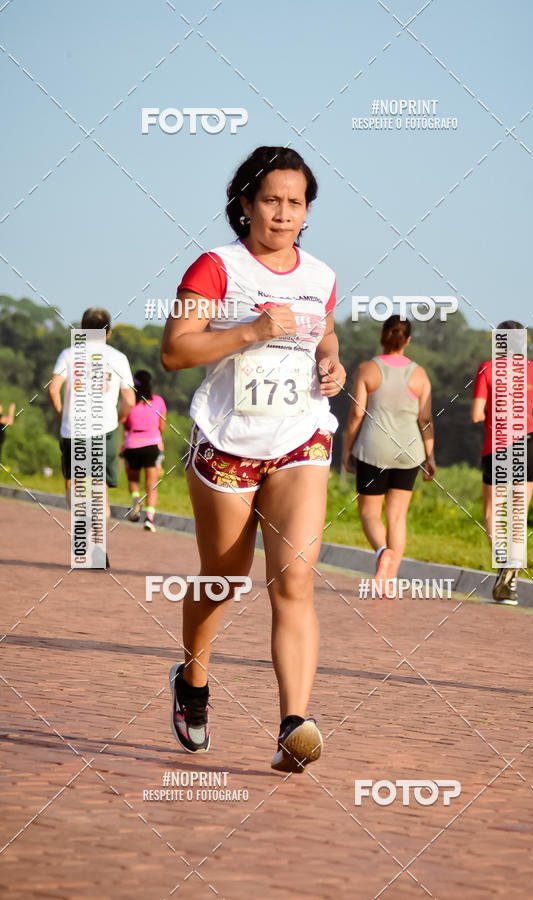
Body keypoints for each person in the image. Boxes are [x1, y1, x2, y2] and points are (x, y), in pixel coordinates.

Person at [161, 146, 345, 772]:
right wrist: (252, 330)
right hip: (228, 443)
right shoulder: (217, 267)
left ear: (307, 210)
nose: (283, 213)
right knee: (224, 578)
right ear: (244, 204)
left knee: (294, 579)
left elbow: (323, 327)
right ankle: (193, 679)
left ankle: (293, 724)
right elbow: (176, 350)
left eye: (296, 203)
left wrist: (330, 362)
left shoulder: (321, 275)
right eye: (271, 200)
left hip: (300, 439)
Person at [343, 316, 435, 594]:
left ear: (383, 336)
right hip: (410, 452)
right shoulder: (420, 375)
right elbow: (426, 418)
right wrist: (430, 456)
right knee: (397, 516)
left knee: (370, 513)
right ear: (408, 340)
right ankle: (389, 581)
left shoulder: (367, 369)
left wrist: (347, 448)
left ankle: (383, 552)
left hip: (373, 449)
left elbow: (357, 413)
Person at [471, 320, 533, 604]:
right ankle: (511, 585)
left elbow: (476, 415)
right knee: (518, 517)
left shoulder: (487, 368)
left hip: (496, 448)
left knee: (493, 515)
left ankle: (504, 564)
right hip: (529, 446)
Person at [48, 307, 135, 522]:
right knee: (99, 485)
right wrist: (120, 416)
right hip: (105, 429)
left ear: (82, 329)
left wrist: (61, 413)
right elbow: (130, 400)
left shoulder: (68, 355)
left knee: (74, 483)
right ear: (109, 333)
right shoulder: (119, 358)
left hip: (73, 428)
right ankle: (98, 528)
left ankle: (82, 521)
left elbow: (52, 388)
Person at [121, 370, 167, 532]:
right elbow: (162, 426)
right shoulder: (158, 402)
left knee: (133, 480)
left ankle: (135, 501)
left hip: (132, 445)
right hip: (152, 445)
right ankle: (150, 518)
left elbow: (124, 423)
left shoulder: (130, 403)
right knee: (152, 484)